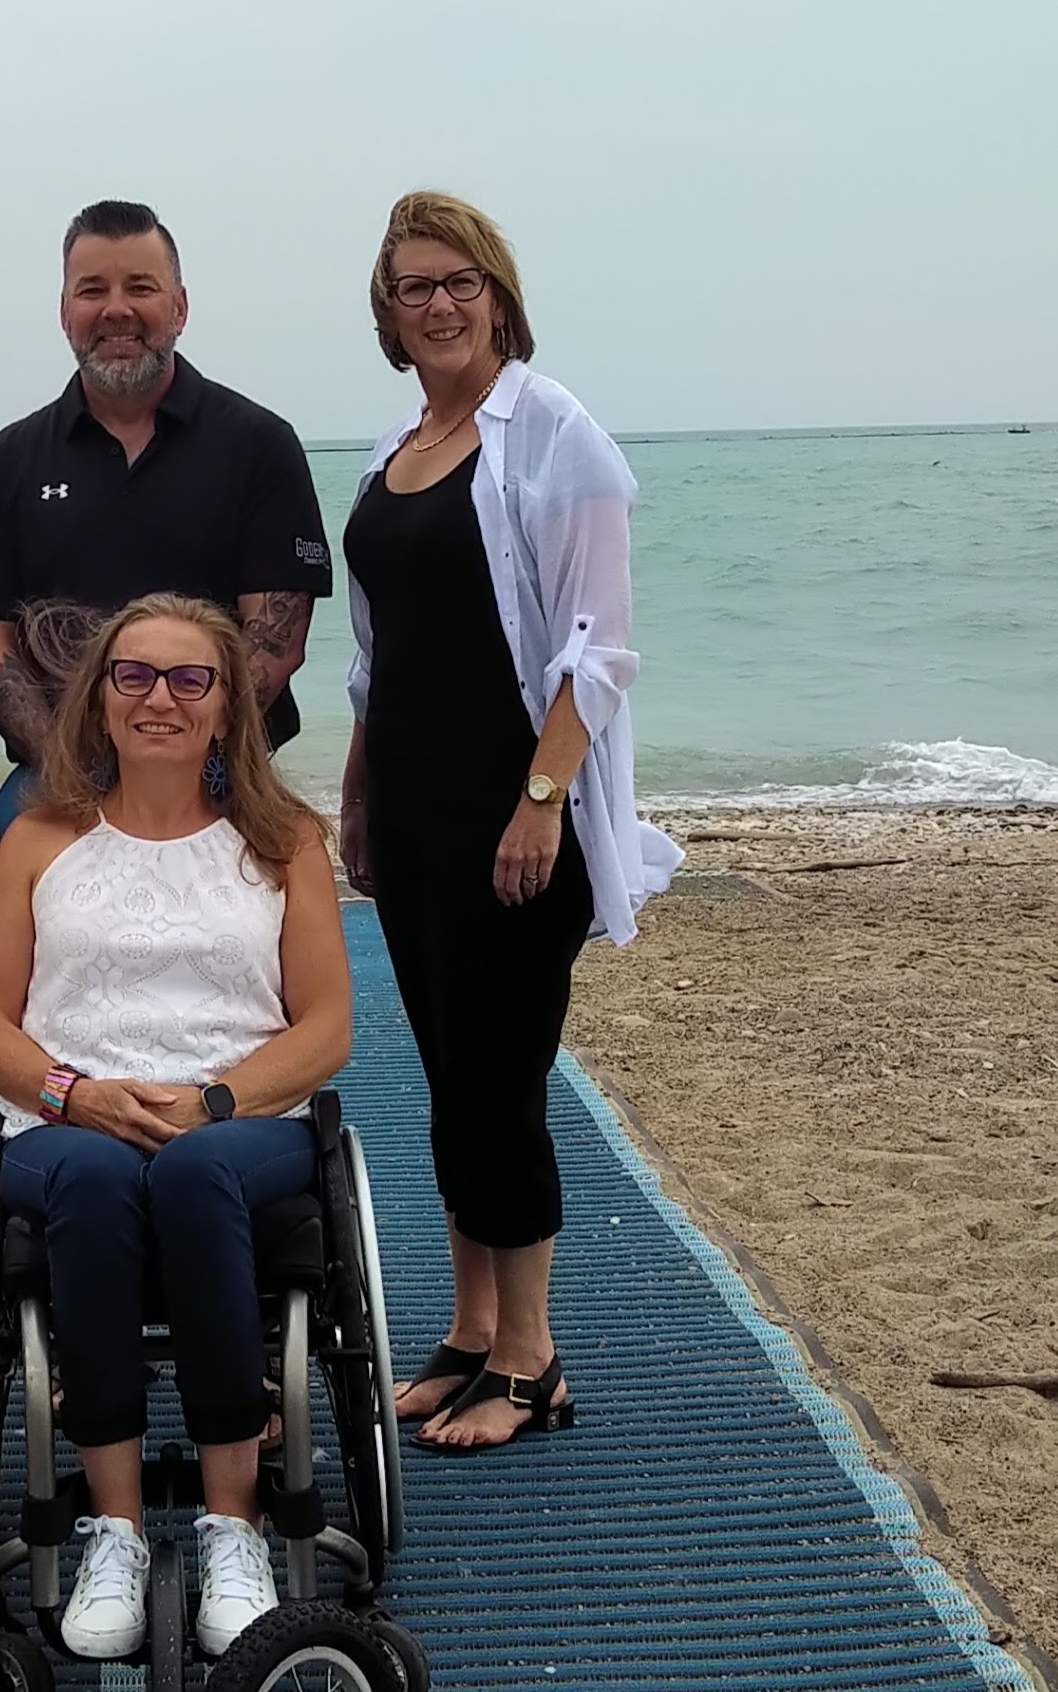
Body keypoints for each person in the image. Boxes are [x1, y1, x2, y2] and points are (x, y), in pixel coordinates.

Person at [338, 191, 682, 1453]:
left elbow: (598, 652)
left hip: (511, 811)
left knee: (502, 1080)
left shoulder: (555, 437)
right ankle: (471, 1330)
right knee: (446, 1075)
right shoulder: (400, 444)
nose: (435, 304)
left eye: (457, 282)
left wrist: (539, 802)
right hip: (418, 813)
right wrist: (358, 792)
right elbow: (381, 656)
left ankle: (534, 1360)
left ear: (497, 293)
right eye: (411, 285)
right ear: (385, 308)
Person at [0, 593, 352, 1659]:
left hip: (240, 1117)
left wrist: (215, 1100)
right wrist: (68, 1091)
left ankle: (233, 1525)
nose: (160, 699)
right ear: (100, 698)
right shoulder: (40, 840)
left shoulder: (282, 843)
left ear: (228, 707)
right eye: (133, 676)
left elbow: (324, 1029)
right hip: (66, 1119)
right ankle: (115, 1530)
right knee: (90, 1175)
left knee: (192, 1173)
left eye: (190, 679)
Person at [0, 199, 333, 841]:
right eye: (93, 290)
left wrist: (169, 759)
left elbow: (277, 642)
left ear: (179, 308)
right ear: (66, 315)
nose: (116, 309)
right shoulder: (7, 461)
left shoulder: (260, 445)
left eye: (140, 288)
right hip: (57, 771)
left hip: (220, 770)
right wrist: (73, 766)